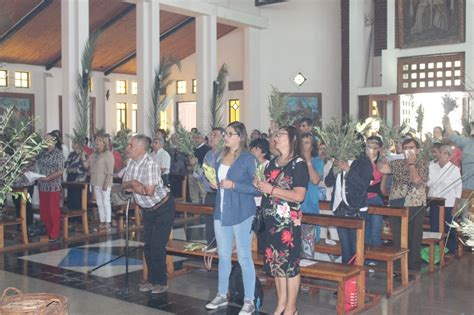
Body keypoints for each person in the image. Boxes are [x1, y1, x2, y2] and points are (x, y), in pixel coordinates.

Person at [205, 122, 259, 315]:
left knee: (244, 257)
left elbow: (257, 188)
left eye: (229, 134)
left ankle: (249, 300)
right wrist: (214, 184)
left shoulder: (247, 159)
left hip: (242, 213)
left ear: (239, 137)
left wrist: (234, 185)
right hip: (221, 212)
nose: (225, 137)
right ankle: (221, 294)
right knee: (224, 255)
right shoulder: (221, 156)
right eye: (225, 133)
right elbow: (220, 183)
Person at [255, 126, 308, 315]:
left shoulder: (298, 164)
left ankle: (292, 307)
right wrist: (260, 185)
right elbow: (268, 189)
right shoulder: (272, 163)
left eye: (281, 134)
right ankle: (281, 303)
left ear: (292, 139)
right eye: (275, 135)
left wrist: (272, 190)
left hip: (288, 223)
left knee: (290, 266)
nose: (276, 138)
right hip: (271, 221)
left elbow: (299, 195)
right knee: (276, 263)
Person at [122, 135, 175, 294]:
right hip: (148, 210)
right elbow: (124, 185)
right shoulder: (131, 162)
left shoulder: (150, 165)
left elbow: (149, 191)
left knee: (157, 246)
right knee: (148, 246)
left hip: (162, 208)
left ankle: (161, 282)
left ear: (140, 148)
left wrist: (134, 186)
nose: (127, 148)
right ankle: (151, 280)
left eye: (131, 145)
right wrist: (134, 184)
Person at [378, 137, 428, 270]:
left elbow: (416, 180)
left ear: (417, 150)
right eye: (406, 148)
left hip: (415, 203)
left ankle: (413, 267)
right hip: (396, 203)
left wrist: (411, 164)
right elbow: (382, 169)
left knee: (414, 236)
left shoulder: (422, 163)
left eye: (411, 148)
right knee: (398, 236)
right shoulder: (398, 163)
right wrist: (382, 157)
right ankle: (400, 267)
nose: (408, 151)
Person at [325, 138, 372, 263]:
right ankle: (347, 279)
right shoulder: (340, 158)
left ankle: (357, 279)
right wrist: (334, 171)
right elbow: (328, 182)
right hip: (340, 208)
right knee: (345, 247)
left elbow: (363, 186)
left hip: (356, 209)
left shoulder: (363, 162)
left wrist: (348, 170)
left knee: (356, 248)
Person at [428, 145, 462, 253]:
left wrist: (455, 206)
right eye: (440, 152)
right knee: (434, 226)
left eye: (444, 153)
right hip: (434, 201)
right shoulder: (432, 166)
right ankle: (435, 251)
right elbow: (428, 182)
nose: (441, 155)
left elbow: (458, 189)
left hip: (449, 203)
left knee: (448, 228)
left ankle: (449, 250)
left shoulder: (454, 169)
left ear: (449, 156)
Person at [195, 127, 224, 247]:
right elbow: (202, 175)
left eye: (215, 135)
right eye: (211, 135)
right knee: (210, 227)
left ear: (223, 138)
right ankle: (211, 253)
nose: (211, 137)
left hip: (221, 195)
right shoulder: (208, 154)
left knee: (221, 228)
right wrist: (197, 167)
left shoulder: (225, 155)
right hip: (209, 195)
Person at [37, 132, 64, 242]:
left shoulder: (58, 153)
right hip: (42, 185)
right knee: (44, 210)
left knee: (53, 210)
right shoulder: (42, 153)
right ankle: (47, 232)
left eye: (47, 139)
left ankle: (54, 234)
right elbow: (36, 164)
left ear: (54, 141)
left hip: (53, 186)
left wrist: (48, 178)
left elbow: (61, 171)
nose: (45, 140)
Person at [300, 133, 323, 258]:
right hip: (295, 209)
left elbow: (315, 180)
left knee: (307, 252)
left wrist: (308, 160)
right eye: (302, 141)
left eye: (307, 142)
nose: (304, 145)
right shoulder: (295, 161)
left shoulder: (317, 162)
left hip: (309, 207)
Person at [85, 134, 115, 231]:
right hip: (95, 181)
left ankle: (108, 222)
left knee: (106, 202)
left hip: (105, 182)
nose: (97, 142)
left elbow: (110, 170)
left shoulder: (108, 154)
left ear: (105, 143)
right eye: (96, 140)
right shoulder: (94, 154)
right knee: (99, 203)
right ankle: (102, 221)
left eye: (99, 140)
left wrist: (106, 183)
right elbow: (86, 166)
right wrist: (82, 156)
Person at [249, 137, 271, 252]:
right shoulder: (251, 164)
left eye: (256, 148)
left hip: (262, 205)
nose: (252, 150)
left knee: (261, 236)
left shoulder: (268, 165)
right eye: (252, 148)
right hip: (250, 204)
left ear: (264, 151)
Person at [188, 132, 210, 203]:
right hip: (192, 174)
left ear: (203, 139)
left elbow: (207, 163)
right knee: (193, 193)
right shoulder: (192, 150)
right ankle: (195, 211)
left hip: (202, 175)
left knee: (203, 194)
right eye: (195, 138)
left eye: (198, 137)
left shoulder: (207, 149)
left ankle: (203, 210)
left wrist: (197, 162)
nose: (196, 139)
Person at [65, 141, 88, 210]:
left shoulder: (84, 154)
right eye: (72, 143)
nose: (73, 144)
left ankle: (79, 218)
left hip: (79, 179)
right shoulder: (71, 154)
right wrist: (71, 169)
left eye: (75, 143)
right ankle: (71, 218)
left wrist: (73, 169)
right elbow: (66, 164)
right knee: (71, 197)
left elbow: (84, 167)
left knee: (77, 198)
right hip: (70, 177)